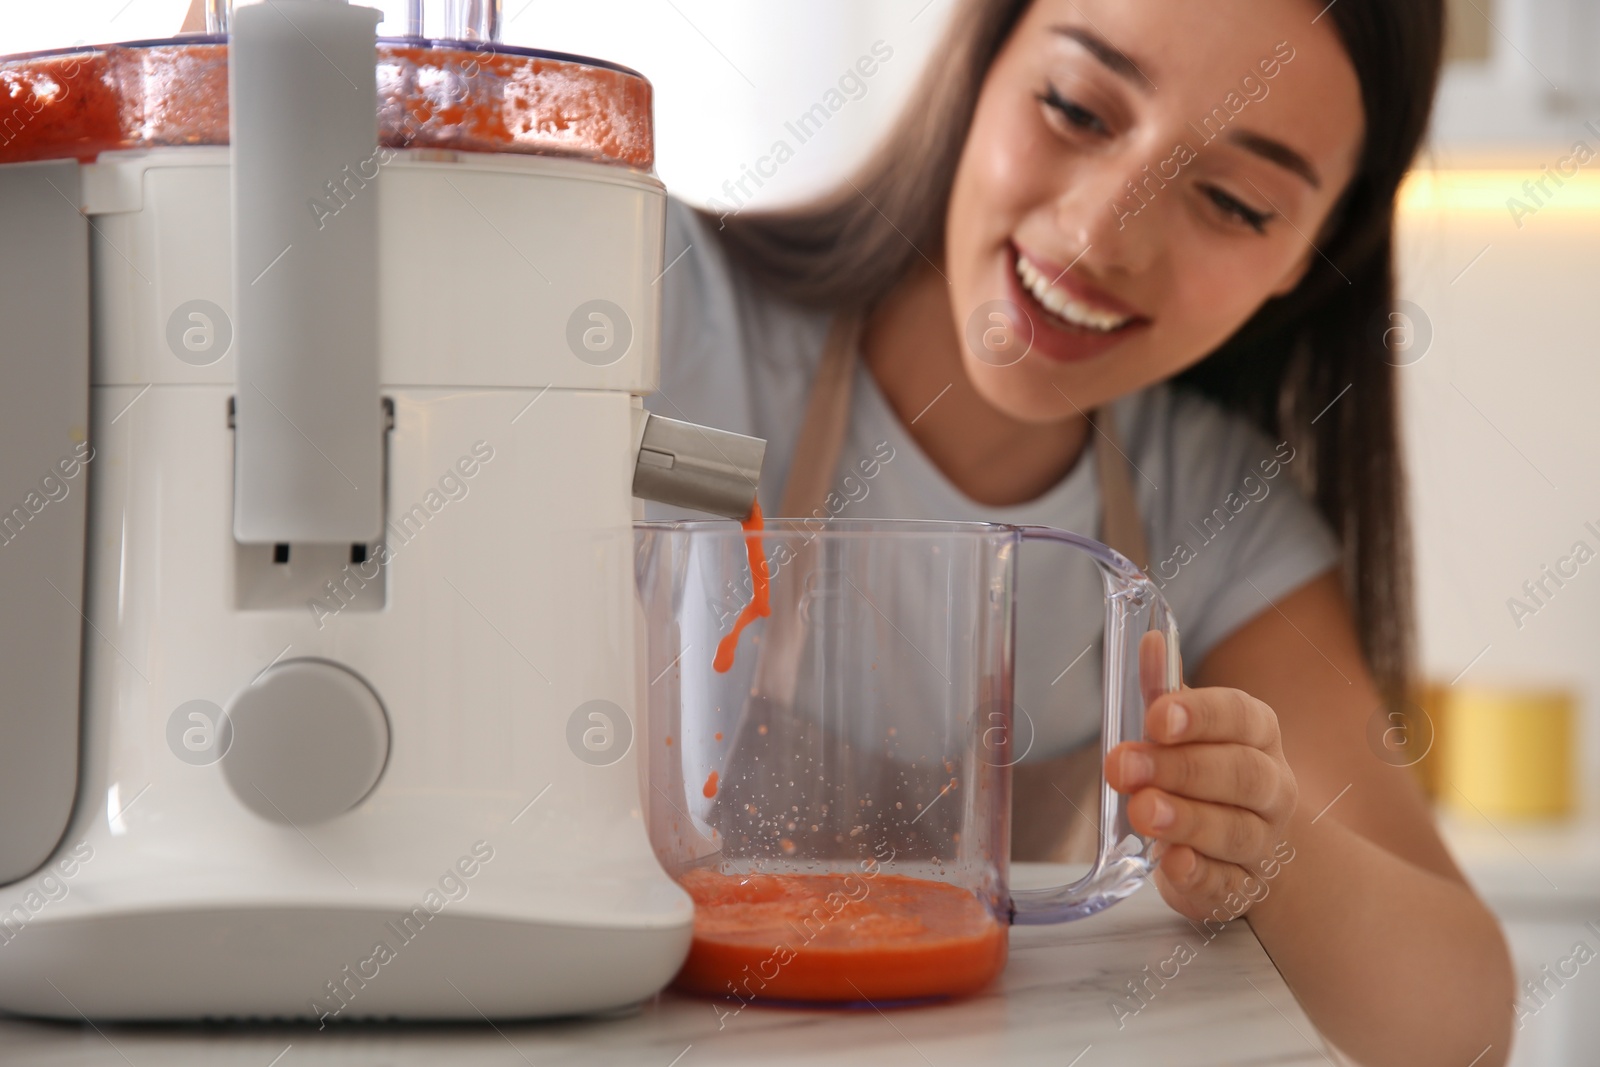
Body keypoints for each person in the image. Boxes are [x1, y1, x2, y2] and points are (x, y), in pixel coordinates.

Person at [652, 1, 1515, 1064]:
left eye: (1236, 202)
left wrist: (1272, 844)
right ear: (980, 61)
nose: (1105, 233)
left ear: (1309, 255)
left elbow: (1461, 1022)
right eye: (1074, 108)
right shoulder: (657, 307)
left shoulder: (1218, 510)